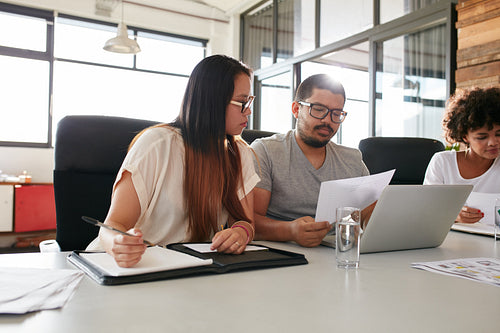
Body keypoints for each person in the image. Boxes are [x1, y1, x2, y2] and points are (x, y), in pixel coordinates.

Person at [86, 55, 260, 267]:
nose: (249, 110)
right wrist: (118, 244)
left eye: (249, 102)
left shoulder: (241, 153)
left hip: (188, 269)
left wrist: (240, 233)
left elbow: (245, 221)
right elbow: (112, 225)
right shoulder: (156, 145)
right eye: (242, 102)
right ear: (213, 100)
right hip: (130, 265)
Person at [251, 74, 369, 247]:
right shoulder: (265, 151)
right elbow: (248, 220)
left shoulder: (352, 159)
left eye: (336, 113)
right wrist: (290, 231)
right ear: (296, 109)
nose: (327, 120)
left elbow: (371, 213)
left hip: (337, 252)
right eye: (319, 109)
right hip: (283, 251)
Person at [424, 87, 500, 223]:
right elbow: (426, 209)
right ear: (465, 137)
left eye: (499, 134)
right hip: (451, 239)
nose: (493, 142)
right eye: (482, 137)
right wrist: (454, 214)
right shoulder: (442, 162)